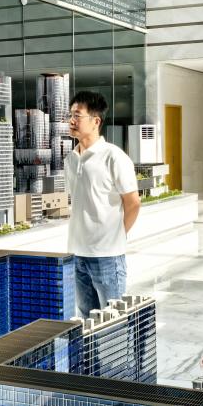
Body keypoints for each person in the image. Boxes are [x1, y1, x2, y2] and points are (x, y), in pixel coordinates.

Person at [65, 91, 140, 318]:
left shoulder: (114, 157)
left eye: (77, 116)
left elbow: (133, 203)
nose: (71, 121)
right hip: (77, 253)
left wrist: (116, 235)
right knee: (87, 320)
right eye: (70, 115)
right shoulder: (70, 159)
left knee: (114, 322)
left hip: (107, 256)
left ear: (96, 121)